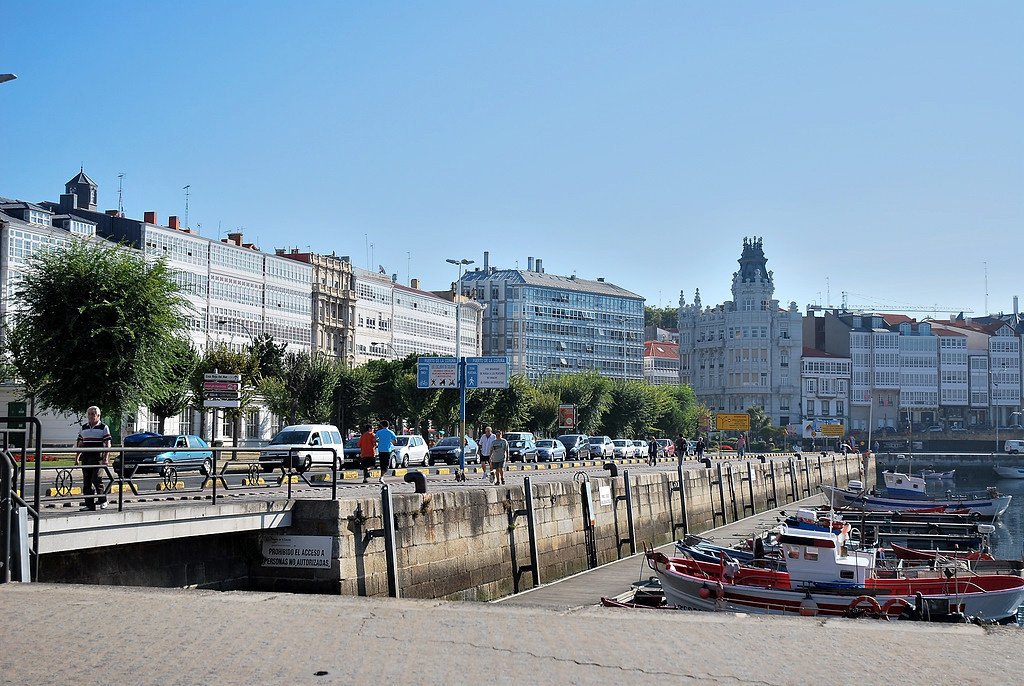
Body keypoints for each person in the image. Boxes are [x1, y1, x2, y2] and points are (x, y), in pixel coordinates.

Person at [76, 406, 111, 511]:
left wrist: (106, 458)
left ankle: (103, 500)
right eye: (89, 414)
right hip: (86, 457)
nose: (91, 416)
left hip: (97, 457)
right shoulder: (84, 427)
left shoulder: (103, 427)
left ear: (98, 415)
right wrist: (77, 457)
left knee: (96, 479)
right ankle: (89, 504)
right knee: (86, 482)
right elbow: (80, 444)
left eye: (93, 414)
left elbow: (107, 443)